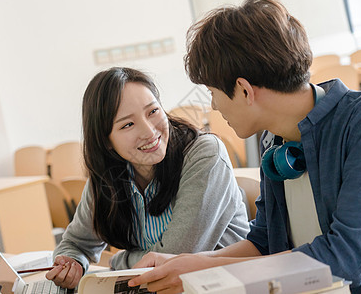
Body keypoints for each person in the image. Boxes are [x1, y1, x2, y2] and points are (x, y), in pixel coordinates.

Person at [128, 0, 361, 293]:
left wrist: (208, 272)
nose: (213, 105)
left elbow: (345, 257)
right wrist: (188, 263)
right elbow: (263, 242)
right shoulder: (273, 137)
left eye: (212, 92)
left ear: (244, 90)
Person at [45, 67, 250, 289]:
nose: (150, 131)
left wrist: (120, 261)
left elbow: (171, 259)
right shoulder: (109, 175)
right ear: (106, 141)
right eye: (127, 124)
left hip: (223, 287)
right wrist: (72, 262)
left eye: (152, 111)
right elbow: (75, 243)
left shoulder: (204, 154)